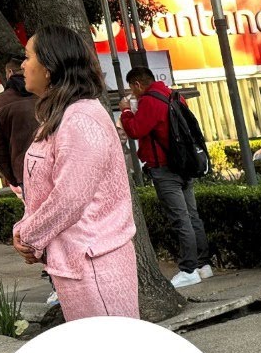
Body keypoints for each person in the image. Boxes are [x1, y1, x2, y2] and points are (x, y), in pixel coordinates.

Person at [12, 26, 138, 321]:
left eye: (27, 56)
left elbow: (70, 197)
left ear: (49, 66)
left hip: (94, 262)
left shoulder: (79, 118)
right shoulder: (61, 116)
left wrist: (29, 236)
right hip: (77, 262)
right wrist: (25, 229)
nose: (22, 65)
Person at [120, 67, 211, 288]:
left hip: (165, 168)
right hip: (185, 165)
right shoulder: (174, 96)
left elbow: (135, 130)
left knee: (181, 219)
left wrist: (125, 111)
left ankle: (189, 269)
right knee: (192, 215)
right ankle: (204, 265)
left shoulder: (149, 101)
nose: (133, 92)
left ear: (137, 85)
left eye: (132, 88)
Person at [0, 56, 37, 194]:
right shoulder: (47, 93)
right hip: (59, 167)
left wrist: (13, 178)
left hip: (25, 173)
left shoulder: (0, 102)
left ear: (10, 73)